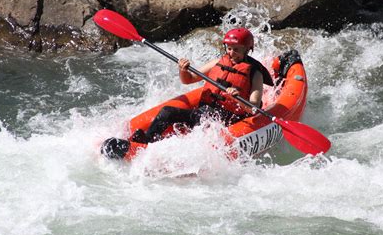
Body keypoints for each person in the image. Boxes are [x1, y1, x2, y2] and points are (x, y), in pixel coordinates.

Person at [101, 28, 273, 159]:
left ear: (246, 49)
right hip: (203, 114)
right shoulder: (218, 62)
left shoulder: (254, 73)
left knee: (204, 117)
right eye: (229, 48)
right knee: (168, 111)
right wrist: (182, 70)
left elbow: (254, 107)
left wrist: (237, 97)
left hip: (226, 119)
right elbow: (188, 79)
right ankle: (144, 143)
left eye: (236, 49)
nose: (231, 53)